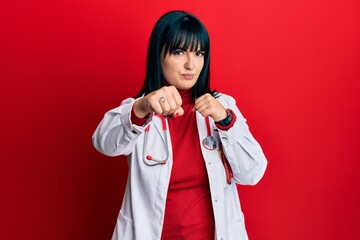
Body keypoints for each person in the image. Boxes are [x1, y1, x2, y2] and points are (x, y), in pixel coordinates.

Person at [92, 10, 267, 240]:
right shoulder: (141, 109)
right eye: (179, 52)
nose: (191, 64)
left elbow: (252, 173)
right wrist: (141, 108)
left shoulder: (223, 107)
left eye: (199, 53)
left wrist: (225, 120)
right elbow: (103, 143)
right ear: (158, 55)